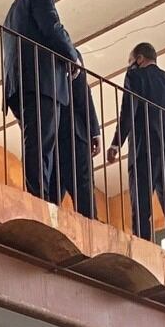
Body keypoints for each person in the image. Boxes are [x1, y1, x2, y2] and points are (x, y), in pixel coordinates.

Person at [2, 0, 79, 205]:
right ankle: (41, 196)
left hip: (18, 84)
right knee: (42, 142)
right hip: (41, 82)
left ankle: (41, 193)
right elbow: (53, 28)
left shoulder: (13, 9)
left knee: (34, 138)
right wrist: (72, 57)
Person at [105, 43, 165, 255]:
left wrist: (116, 143)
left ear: (140, 59)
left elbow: (128, 111)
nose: (129, 66)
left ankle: (144, 251)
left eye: (130, 61)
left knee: (141, 206)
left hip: (146, 149)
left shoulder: (135, 77)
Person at [60, 68, 101, 218]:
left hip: (51, 135)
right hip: (73, 133)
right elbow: (82, 91)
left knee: (50, 195)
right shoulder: (69, 51)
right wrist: (94, 130)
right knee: (84, 191)